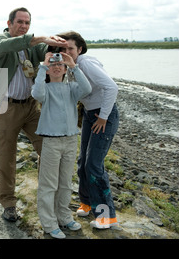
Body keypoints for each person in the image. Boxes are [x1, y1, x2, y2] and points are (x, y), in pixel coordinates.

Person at [0, 7, 68, 222]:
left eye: (27, 23)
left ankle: (47, 196)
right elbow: (3, 46)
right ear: (9, 23)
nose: (23, 26)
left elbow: (48, 49)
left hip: (32, 107)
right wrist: (35, 38)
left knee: (49, 149)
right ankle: (8, 203)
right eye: (20, 22)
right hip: (7, 107)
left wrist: (62, 45)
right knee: (6, 157)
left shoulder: (33, 47)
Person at [56, 31, 120, 229]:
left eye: (71, 49)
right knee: (83, 160)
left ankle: (107, 215)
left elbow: (112, 87)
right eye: (63, 49)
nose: (67, 52)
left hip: (104, 116)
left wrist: (103, 117)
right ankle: (87, 202)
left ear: (80, 49)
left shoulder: (84, 63)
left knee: (94, 164)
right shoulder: (69, 67)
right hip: (91, 114)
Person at [32, 52, 91, 239]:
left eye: (60, 65)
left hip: (71, 139)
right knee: (49, 184)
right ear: (48, 69)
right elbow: (36, 93)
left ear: (65, 69)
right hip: (51, 141)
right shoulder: (46, 89)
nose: (57, 67)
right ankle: (49, 223)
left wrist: (74, 66)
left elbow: (87, 89)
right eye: (53, 64)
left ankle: (63, 216)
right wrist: (42, 66)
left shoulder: (72, 88)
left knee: (65, 182)